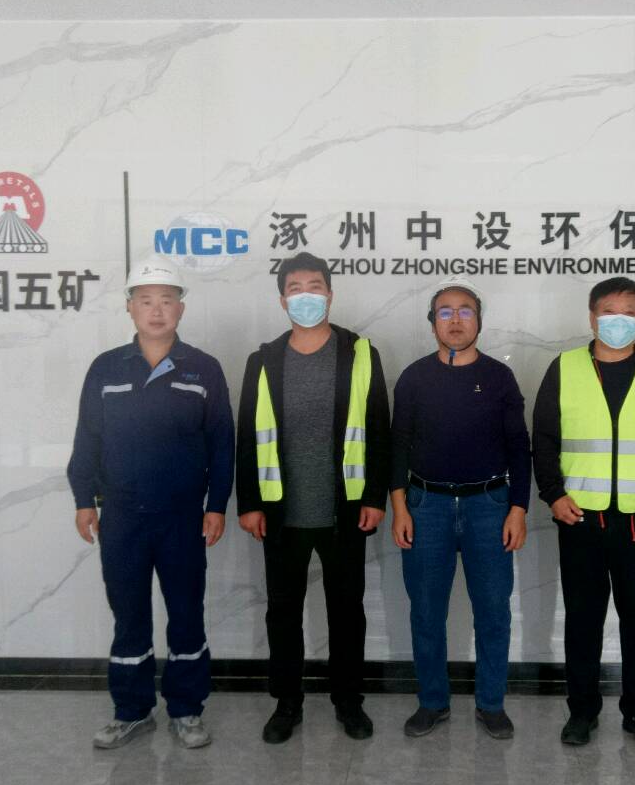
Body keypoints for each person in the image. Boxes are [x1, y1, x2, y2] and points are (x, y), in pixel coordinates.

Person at [66, 258, 234, 750]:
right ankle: (131, 710)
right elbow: (87, 439)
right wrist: (83, 500)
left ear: (181, 308)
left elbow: (222, 443)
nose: (156, 310)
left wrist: (217, 505)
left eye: (166, 300)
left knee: (186, 613)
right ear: (130, 308)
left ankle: (186, 709)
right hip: (121, 517)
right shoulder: (106, 368)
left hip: (182, 518)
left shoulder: (203, 368)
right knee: (129, 615)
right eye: (145, 301)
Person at [532, 276, 635, 750]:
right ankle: (582, 712)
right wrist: (553, 494)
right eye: (609, 312)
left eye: (629, 313)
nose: (618, 321)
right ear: (592, 317)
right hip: (580, 519)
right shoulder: (564, 368)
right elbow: (544, 439)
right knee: (582, 621)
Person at [235, 252, 390, 743]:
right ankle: (287, 704)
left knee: (347, 611)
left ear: (330, 294)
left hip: (345, 508)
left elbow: (379, 429)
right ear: (282, 300)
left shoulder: (360, 353)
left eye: (315, 286)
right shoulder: (263, 360)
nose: (306, 296)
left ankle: (349, 701)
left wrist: (375, 497)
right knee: (283, 612)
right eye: (295, 288)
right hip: (281, 511)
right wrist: (249, 503)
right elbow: (247, 435)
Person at [390, 279, 531, 739]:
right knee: (426, 611)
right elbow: (398, 445)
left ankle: (491, 703)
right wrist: (400, 507)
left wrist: (518, 508)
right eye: (445, 312)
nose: (455, 320)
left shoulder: (499, 378)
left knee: (493, 610)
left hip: (489, 506)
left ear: (479, 321)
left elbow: (519, 446)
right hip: (425, 505)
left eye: (465, 311)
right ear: (432, 322)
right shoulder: (414, 377)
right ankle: (432, 701)